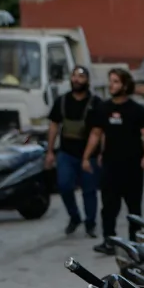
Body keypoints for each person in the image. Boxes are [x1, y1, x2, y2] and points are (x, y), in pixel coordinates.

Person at [84, 67, 144, 249]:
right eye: (110, 81)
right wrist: (87, 156)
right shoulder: (103, 108)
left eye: (115, 81)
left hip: (132, 165)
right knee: (109, 205)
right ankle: (109, 240)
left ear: (125, 85)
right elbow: (97, 133)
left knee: (134, 206)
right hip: (110, 164)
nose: (111, 85)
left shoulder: (137, 110)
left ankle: (135, 243)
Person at [45, 66, 104, 238]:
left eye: (81, 76)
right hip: (66, 153)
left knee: (89, 190)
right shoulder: (62, 101)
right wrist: (50, 151)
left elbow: (99, 132)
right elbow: (54, 125)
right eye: (74, 76)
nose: (77, 80)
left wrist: (99, 153)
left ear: (87, 80)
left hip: (89, 155)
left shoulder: (96, 103)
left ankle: (90, 223)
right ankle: (74, 217)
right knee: (64, 186)